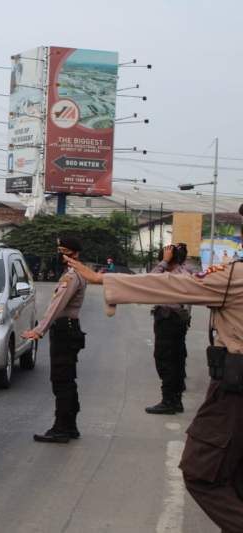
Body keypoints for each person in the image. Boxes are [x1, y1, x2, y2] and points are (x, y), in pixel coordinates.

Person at [65, 210, 243, 532]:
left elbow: (175, 286)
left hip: (235, 393)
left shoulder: (235, 275)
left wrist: (105, 278)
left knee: (201, 472)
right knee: (233, 477)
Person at [21, 236, 87, 444]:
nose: (60, 254)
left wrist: (39, 330)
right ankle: (70, 426)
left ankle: (61, 429)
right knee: (67, 379)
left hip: (65, 330)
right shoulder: (76, 273)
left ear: (75, 254)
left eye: (64, 251)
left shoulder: (72, 276)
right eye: (59, 250)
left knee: (61, 380)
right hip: (68, 330)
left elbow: (57, 307)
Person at [146, 243, 193, 415]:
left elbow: (148, 280)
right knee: (177, 361)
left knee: (165, 360)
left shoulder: (172, 275)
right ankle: (176, 400)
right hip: (177, 320)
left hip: (168, 320)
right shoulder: (184, 272)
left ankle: (168, 401)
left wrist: (163, 262)